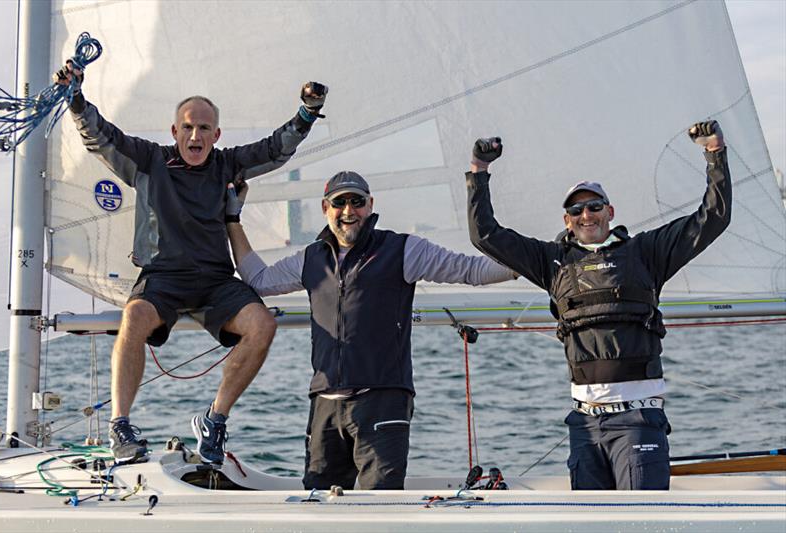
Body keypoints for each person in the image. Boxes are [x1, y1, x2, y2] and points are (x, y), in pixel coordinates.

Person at [54, 61, 327, 465]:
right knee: (133, 319)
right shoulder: (149, 160)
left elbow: (274, 149)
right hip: (162, 278)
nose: (195, 135)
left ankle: (214, 420)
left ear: (216, 135)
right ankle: (120, 424)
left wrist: (307, 113)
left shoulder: (227, 164)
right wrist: (75, 98)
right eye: (188, 127)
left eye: (204, 129)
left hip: (216, 282)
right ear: (175, 132)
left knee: (263, 324)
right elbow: (101, 137)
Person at [465, 121, 730, 490]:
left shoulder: (646, 253)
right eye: (576, 211)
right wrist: (479, 171)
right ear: (566, 221)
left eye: (593, 207)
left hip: (639, 422)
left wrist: (714, 151)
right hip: (585, 427)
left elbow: (713, 217)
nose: (585, 215)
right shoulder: (552, 261)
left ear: (610, 211)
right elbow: (485, 234)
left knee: (643, 524)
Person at [224, 171, 517, 489]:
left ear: (370, 205)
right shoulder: (311, 258)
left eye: (357, 202)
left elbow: (470, 270)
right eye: (340, 202)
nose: (349, 211)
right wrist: (232, 219)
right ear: (326, 208)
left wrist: (527, 263)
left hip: (382, 400)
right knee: (319, 508)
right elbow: (259, 280)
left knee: (382, 510)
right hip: (325, 405)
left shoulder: (403, 249)